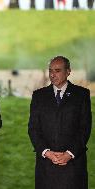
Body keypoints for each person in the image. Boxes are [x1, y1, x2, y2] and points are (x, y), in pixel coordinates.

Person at [28, 56, 92, 189]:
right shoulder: (38, 96)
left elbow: (85, 128)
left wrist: (69, 153)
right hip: (46, 166)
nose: (52, 74)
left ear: (68, 71)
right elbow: (33, 128)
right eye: (50, 70)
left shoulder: (81, 95)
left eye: (57, 70)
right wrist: (46, 152)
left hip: (73, 166)